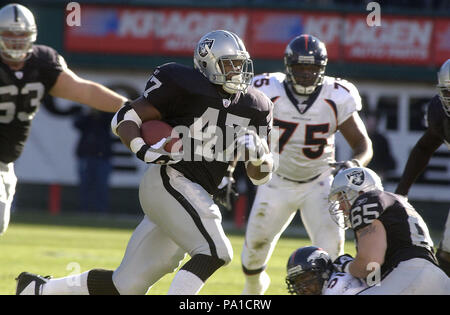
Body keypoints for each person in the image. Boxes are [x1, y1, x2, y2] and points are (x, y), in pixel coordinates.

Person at [16, 29, 274, 295]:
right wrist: (141, 148)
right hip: (170, 180)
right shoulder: (182, 83)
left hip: (192, 196)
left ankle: (39, 290)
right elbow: (125, 117)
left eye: (239, 64)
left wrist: (260, 155)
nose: (236, 71)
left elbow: (260, 177)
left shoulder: (256, 106)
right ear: (207, 64)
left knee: (126, 286)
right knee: (214, 251)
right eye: (228, 64)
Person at [240, 34, 373, 295]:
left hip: (321, 183)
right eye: (299, 68)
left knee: (331, 262)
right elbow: (242, 132)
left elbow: (363, 144)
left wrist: (354, 163)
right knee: (253, 250)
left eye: (311, 68)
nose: (305, 74)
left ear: (321, 69)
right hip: (275, 179)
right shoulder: (267, 90)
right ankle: (254, 289)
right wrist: (230, 169)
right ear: (288, 67)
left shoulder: (336, 96)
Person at [0, 3, 128, 235]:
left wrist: (128, 108)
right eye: (9, 35)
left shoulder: (42, 62)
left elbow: (84, 91)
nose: (16, 41)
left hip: (5, 161)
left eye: (22, 35)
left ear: (33, 36)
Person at [328, 167, 450, 294]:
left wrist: (347, 266)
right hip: (435, 279)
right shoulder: (393, 203)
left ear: (359, 192)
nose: (341, 207)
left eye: (342, 197)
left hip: (410, 275)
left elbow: (370, 262)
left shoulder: (367, 200)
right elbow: (373, 274)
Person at [395, 59, 450, 277]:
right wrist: (401, 192)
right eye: (449, 92)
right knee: (446, 255)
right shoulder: (440, 114)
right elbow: (424, 148)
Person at [74, 108, 114, 213]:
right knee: (85, 185)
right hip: (86, 156)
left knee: (102, 185)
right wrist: (89, 115)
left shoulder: (106, 116)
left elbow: (112, 123)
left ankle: (101, 210)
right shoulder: (85, 115)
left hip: (103, 157)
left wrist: (101, 113)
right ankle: (84, 209)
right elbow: (77, 124)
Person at [285, 246, 367, 295]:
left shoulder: (337, 288)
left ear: (324, 272)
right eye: (297, 281)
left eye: (305, 278)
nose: (302, 287)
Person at [364, 110, 396, 180]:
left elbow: (388, 159)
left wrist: (382, 171)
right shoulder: (361, 138)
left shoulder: (382, 140)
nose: (370, 124)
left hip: (377, 175)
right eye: (369, 122)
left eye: (373, 122)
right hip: (364, 174)